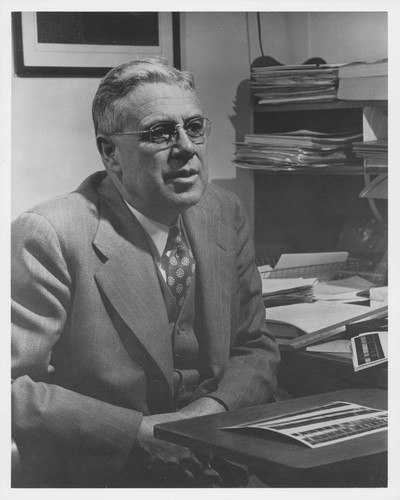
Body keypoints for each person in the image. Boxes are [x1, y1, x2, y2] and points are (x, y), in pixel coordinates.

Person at [11, 57, 280, 488]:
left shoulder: (223, 212)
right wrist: (140, 434)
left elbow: (256, 347)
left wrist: (204, 418)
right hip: (107, 476)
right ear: (111, 153)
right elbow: (12, 389)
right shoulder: (50, 234)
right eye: (160, 133)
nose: (187, 148)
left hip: (220, 458)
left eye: (194, 127)